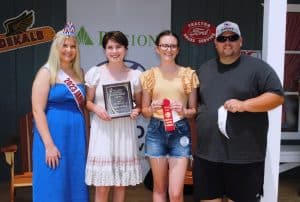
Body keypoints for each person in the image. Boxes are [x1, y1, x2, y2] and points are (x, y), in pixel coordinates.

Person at [193, 21, 285, 202]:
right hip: (207, 155)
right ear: (215, 42)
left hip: (245, 158)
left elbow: (277, 97)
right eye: (222, 38)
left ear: (241, 41)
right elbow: (197, 106)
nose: (227, 42)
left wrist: (244, 105)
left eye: (232, 37)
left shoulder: (258, 68)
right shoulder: (204, 69)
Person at [31, 22, 89, 201]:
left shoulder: (80, 72)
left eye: (72, 46)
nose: (69, 50)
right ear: (56, 47)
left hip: (75, 136)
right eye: (65, 45)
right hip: (52, 135)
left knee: (75, 180)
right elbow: (37, 110)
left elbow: (86, 106)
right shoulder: (46, 72)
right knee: (53, 181)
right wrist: (48, 145)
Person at [140, 30, 199, 202]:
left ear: (178, 50)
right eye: (165, 45)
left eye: (173, 46)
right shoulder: (149, 75)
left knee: (175, 193)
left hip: (180, 132)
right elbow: (144, 110)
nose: (169, 49)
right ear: (157, 49)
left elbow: (193, 111)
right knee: (159, 189)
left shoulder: (189, 75)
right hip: (155, 131)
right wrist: (151, 108)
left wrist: (183, 111)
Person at [84, 31, 143, 202]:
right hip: (103, 130)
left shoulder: (135, 76)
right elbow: (88, 102)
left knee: (120, 184)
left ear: (126, 49)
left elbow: (139, 105)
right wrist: (96, 108)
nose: (114, 51)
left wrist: (135, 111)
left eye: (118, 47)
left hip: (124, 131)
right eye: (110, 47)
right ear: (104, 50)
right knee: (102, 186)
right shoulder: (95, 73)